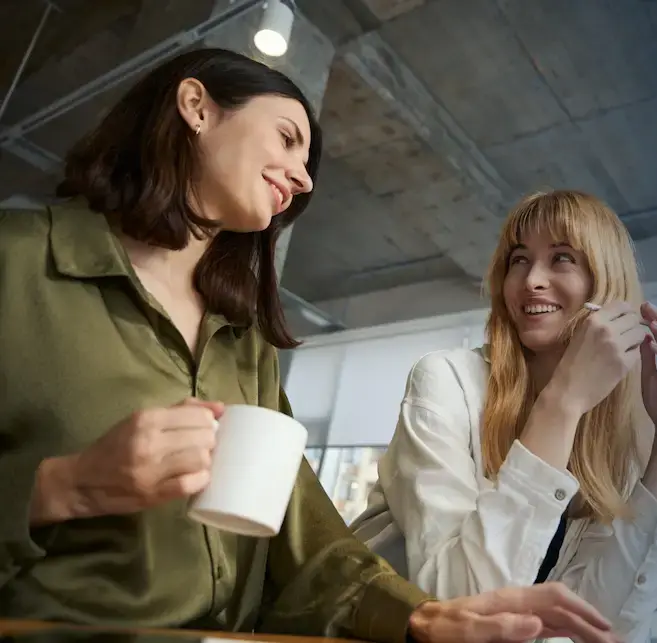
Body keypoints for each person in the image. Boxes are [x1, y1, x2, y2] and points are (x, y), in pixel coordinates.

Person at [0, 49, 621, 643]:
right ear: (197, 106)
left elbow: (306, 541)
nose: (301, 179)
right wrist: (61, 487)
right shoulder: (16, 260)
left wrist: (421, 617)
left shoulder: (245, 344)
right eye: (288, 139)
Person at [351, 190, 657, 642]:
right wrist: (562, 402)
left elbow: (603, 626)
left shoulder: (613, 433)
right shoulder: (448, 380)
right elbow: (459, 603)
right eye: (519, 260)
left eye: (561, 259)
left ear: (606, 285)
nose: (532, 279)